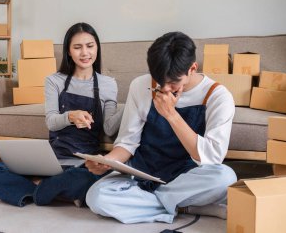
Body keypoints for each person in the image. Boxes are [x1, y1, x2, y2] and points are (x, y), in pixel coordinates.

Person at [85, 31, 237, 224]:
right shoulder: (140, 85)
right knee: (96, 197)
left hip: (186, 176)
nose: (165, 88)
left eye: (173, 82)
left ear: (192, 68)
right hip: (145, 172)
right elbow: (127, 143)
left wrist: (171, 115)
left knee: (225, 178)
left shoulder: (218, 96)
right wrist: (107, 161)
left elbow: (212, 157)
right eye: (159, 80)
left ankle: (158, 202)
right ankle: (184, 206)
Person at [0, 22, 123, 207]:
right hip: (50, 161)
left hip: (81, 165)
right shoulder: (55, 80)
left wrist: (131, 103)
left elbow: (109, 128)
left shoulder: (108, 84)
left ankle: (37, 187)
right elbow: (51, 122)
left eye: (90, 46)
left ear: (97, 48)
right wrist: (70, 116)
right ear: (69, 51)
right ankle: (50, 190)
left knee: (94, 178)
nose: (85, 53)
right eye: (77, 47)